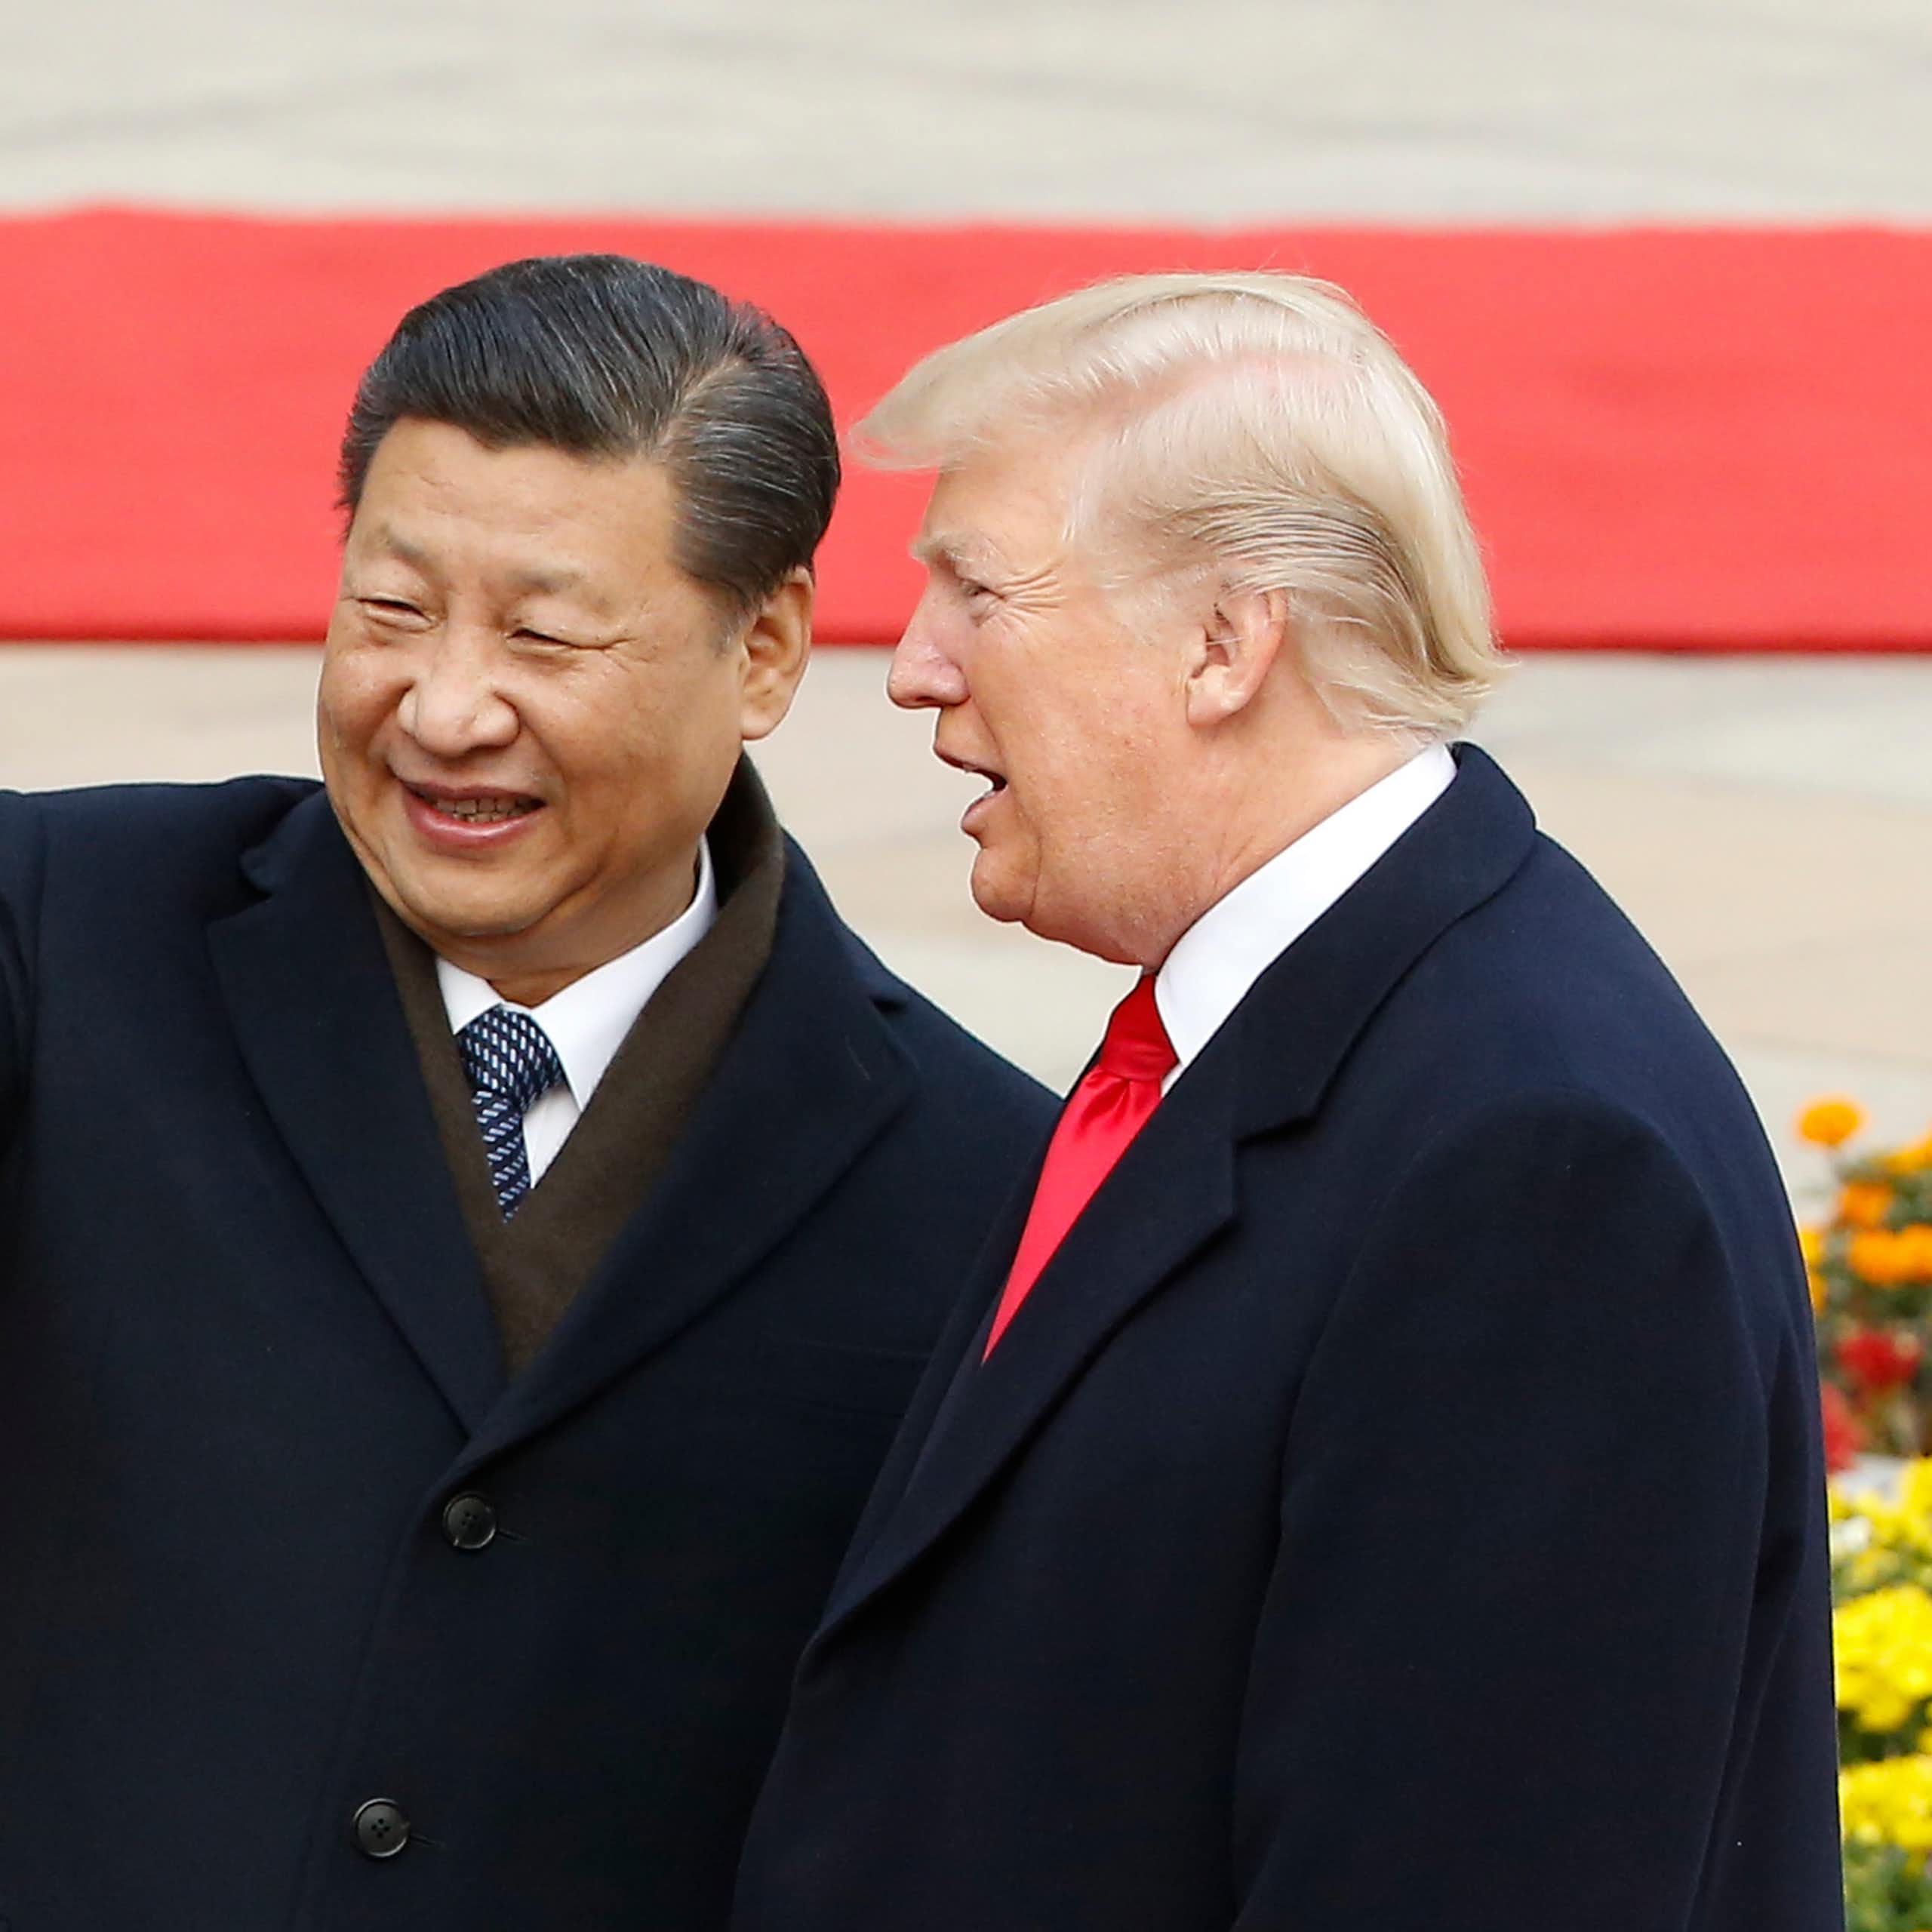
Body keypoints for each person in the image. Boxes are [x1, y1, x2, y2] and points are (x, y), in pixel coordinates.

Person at [734, 272, 1841, 1930]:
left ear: (1222, 642)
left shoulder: (1533, 1164)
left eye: (977, 590)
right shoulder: (1290, 1033)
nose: (912, 670)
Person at [0, 254, 1050, 1931]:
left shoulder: (974, 1177)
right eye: (391, 610)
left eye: (543, 632)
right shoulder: (60, 932)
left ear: (765, 647)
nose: (443, 707)